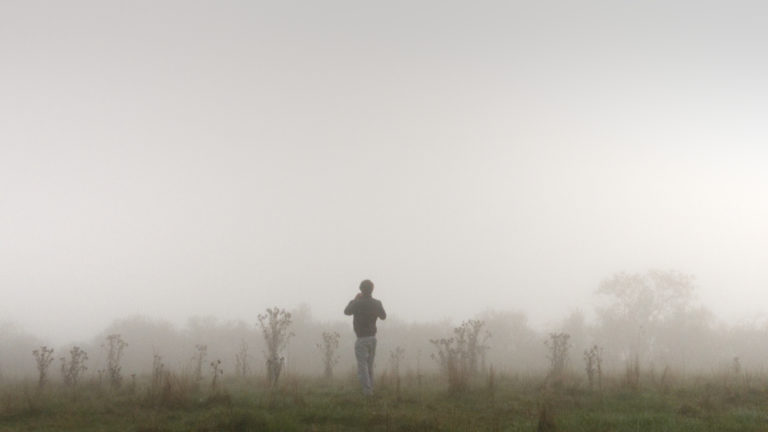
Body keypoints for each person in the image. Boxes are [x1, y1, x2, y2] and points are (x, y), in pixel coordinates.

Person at [344, 279, 386, 396]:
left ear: (361, 290)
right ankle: (370, 389)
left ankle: (367, 392)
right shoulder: (377, 303)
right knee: (369, 366)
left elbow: (346, 311)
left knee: (362, 367)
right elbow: (383, 316)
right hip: (373, 338)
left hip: (361, 338)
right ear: (372, 289)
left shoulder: (357, 303)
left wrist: (355, 299)